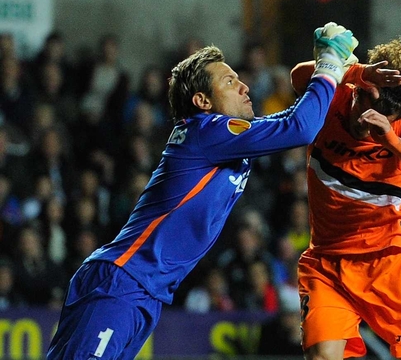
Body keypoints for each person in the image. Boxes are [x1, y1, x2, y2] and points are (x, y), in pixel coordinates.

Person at [45, 23, 359, 360]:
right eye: (229, 82)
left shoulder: (220, 137)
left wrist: (333, 76)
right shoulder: (208, 132)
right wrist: (327, 66)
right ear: (202, 101)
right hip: (122, 283)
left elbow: (290, 122)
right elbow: (300, 127)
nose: (243, 86)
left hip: (142, 291)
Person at [290, 39, 401, 360]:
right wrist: (358, 73)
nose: (367, 121)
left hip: (384, 260)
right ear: (359, 90)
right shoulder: (335, 96)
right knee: (321, 356)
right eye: (365, 105)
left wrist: (388, 137)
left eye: (381, 116)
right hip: (326, 262)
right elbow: (299, 77)